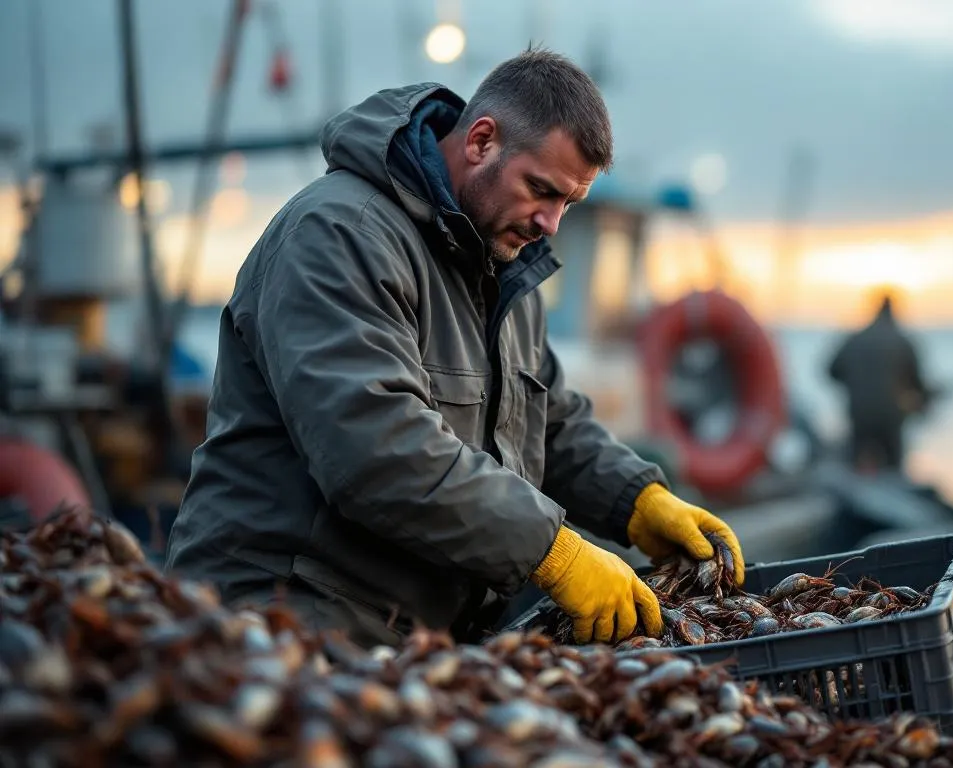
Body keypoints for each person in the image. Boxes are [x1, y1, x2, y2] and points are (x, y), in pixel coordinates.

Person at [164, 50, 744, 649]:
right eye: (540, 190)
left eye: (568, 204)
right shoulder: (338, 235)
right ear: (481, 141)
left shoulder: (504, 267)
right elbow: (375, 452)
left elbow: (549, 423)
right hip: (276, 622)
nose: (550, 223)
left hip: (412, 636)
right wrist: (555, 553)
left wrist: (638, 500)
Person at [826, 290, 931, 473]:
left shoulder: (855, 339)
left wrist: (855, 385)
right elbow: (916, 382)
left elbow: (831, 371)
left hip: (859, 413)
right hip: (890, 416)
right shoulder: (902, 341)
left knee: (855, 464)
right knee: (893, 467)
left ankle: (853, 492)